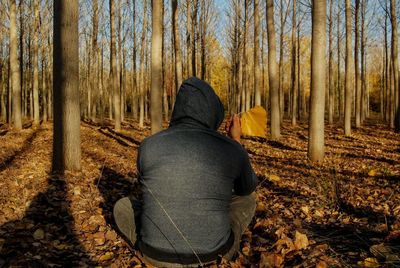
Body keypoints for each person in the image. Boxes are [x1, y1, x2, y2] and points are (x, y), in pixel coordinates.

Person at [113, 77, 257, 267]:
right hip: (215, 255)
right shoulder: (231, 148)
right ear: (212, 112)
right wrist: (236, 140)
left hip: (154, 256)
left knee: (122, 206)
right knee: (248, 199)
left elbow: (147, 186)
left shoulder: (148, 145)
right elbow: (246, 188)